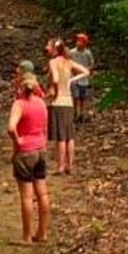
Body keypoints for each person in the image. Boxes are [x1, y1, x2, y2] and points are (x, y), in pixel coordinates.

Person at [6, 63, 51, 244]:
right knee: (43, 194)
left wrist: (18, 141)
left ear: (21, 87)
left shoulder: (19, 104)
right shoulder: (41, 103)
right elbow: (45, 128)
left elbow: (11, 128)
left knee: (27, 196)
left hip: (25, 153)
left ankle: (27, 236)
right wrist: (43, 145)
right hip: (40, 151)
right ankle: (42, 233)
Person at [44, 36, 90, 177]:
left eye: (48, 45)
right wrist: (71, 80)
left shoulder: (53, 62)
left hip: (58, 102)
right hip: (69, 102)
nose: (46, 48)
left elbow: (56, 79)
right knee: (69, 136)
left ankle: (60, 166)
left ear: (54, 49)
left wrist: (55, 91)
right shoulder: (68, 62)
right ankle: (69, 165)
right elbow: (86, 71)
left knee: (60, 137)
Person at [70, 30, 95, 121]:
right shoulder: (72, 52)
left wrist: (87, 70)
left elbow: (91, 64)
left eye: (80, 41)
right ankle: (75, 113)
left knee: (83, 97)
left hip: (84, 79)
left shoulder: (87, 53)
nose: (78, 43)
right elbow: (69, 62)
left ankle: (82, 113)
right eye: (77, 41)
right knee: (75, 96)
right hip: (74, 77)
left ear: (84, 43)